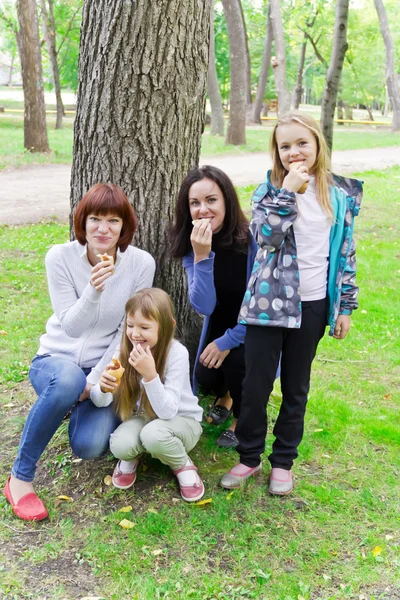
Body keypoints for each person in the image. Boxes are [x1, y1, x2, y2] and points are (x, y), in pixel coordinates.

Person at [221, 112, 362, 494]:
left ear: (318, 144)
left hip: (314, 305)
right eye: (285, 146)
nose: (294, 152)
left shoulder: (339, 196)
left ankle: (283, 461)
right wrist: (288, 192)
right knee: (256, 385)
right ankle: (248, 457)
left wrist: (345, 307)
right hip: (269, 306)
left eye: (302, 143)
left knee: (296, 387)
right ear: (276, 152)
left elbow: (345, 255)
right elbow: (267, 237)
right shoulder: (268, 191)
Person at [4, 183, 155, 521]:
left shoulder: (140, 264)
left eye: (114, 221)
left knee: (89, 445)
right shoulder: (59, 257)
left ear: (125, 227)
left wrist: (95, 382)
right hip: (55, 363)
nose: (103, 229)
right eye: (95, 219)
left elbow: (126, 331)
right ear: (82, 223)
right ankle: (20, 478)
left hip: (101, 369)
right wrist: (93, 289)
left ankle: (72, 402)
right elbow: (70, 326)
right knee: (68, 380)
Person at [170, 166, 257, 448]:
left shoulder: (251, 239)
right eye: (195, 203)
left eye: (211, 200)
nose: (203, 209)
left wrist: (230, 341)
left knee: (235, 362)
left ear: (226, 201)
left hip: (254, 325)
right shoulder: (193, 245)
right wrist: (202, 255)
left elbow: (261, 305)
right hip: (218, 322)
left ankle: (241, 419)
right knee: (205, 376)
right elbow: (204, 306)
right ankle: (226, 396)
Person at [90, 288, 205, 503]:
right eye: (130, 325)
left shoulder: (177, 353)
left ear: (168, 326)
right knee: (120, 445)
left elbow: (168, 411)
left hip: (182, 422)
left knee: (153, 435)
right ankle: (135, 453)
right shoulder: (123, 351)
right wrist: (103, 389)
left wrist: (150, 375)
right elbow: (98, 401)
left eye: (144, 327)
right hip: (144, 420)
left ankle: (182, 464)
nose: (135, 334)